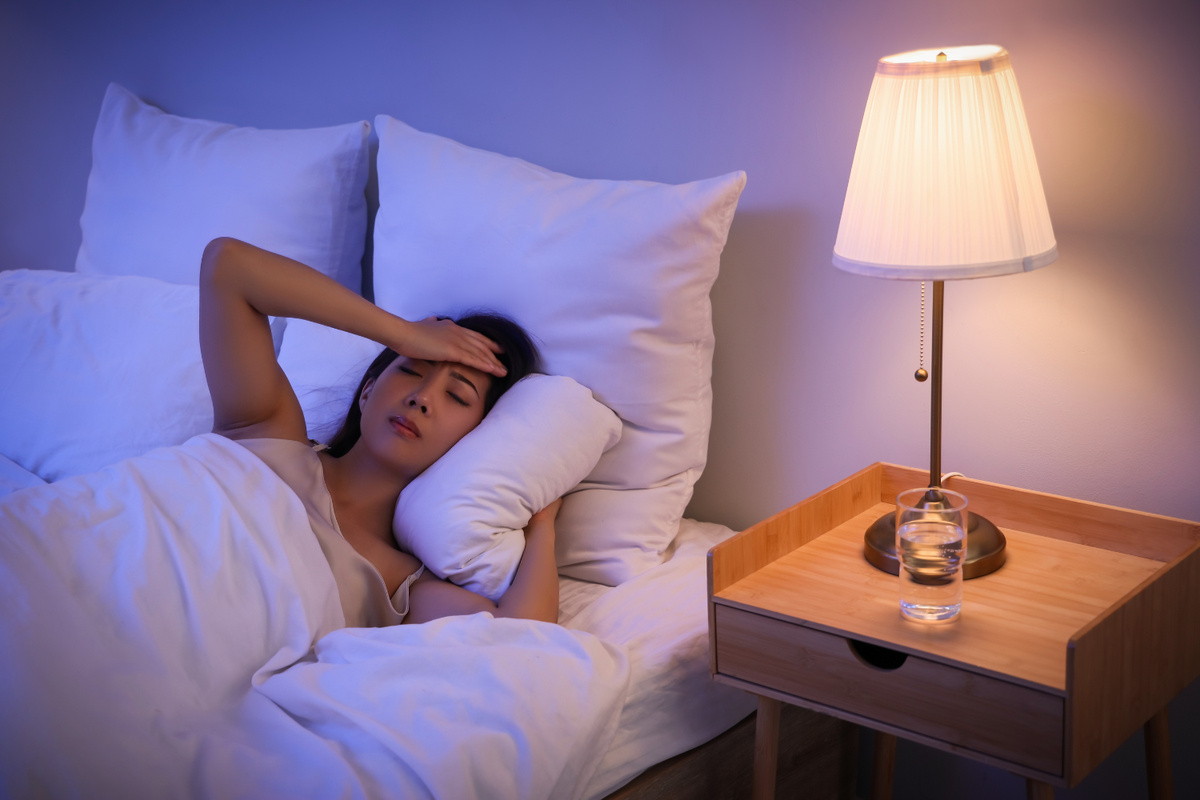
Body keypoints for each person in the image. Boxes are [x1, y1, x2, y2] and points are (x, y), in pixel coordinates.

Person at [199, 237, 559, 628]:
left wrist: (542, 524)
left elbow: (524, 633)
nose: (422, 398)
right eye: (410, 370)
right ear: (367, 391)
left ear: (476, 440)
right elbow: (229, 266)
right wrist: (405, 335)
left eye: (456, 396)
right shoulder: (267, 434)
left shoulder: (395, 581)